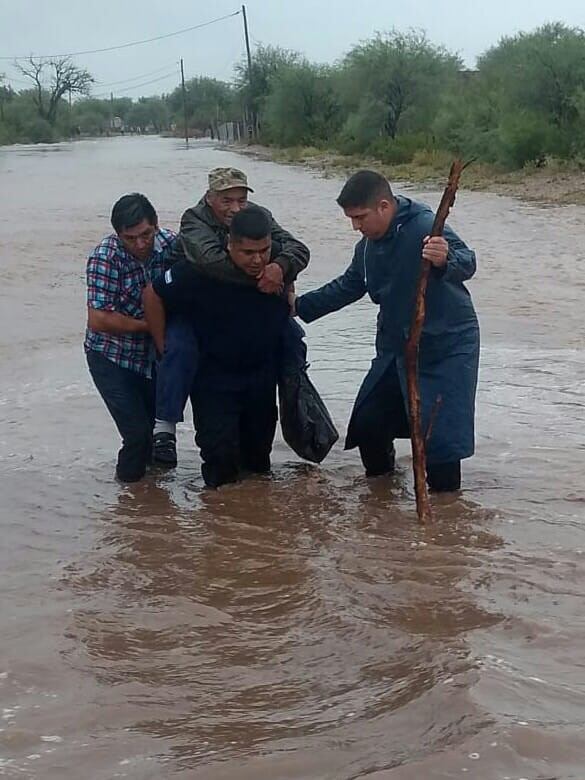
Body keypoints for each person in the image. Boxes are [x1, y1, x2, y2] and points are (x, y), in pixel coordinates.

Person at [291, 170, 480, 492]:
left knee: (439, 441)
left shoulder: (423, 225)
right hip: (395, 348)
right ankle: (381, 500)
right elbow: (350, 285)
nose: (356, 226)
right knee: (370, 423)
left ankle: (447, 516)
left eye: (360, 217)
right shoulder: (367, 246)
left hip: (444, 346)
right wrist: (298, 306)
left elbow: (468, 261)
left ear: (383, 206)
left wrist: (444, 259)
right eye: (351, 219)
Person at [152, 167, 309, 467]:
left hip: (255, 366)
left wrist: (281, 268)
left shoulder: (257, 217)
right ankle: (164, 427)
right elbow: (209, 262)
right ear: (210, 198)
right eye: (227, 201)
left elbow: (298, 248)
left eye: (241, 200)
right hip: (197, 317)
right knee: (179, 349)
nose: (236, 209)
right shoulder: (194, 221)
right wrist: (262, 273)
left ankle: (301, 403)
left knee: (292, 337)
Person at [145, 206, 290, 488]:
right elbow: (153, 294)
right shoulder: (197, 272)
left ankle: (255, 527)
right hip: (214, 381)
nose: (257, 260)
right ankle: (217, 524)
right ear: (229, 244)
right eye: (248, 253)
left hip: (261, 379)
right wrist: (164, 346)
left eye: (264, 250)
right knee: (220, 462)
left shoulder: (279, 262)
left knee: (259, 464)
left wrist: (283, 270)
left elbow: (297, 265)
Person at [84, 193, 177, 483]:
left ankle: (149, 509)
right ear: (118, 235)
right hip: (111, 356)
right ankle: (127, 499)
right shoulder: (104, 257)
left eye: (146, 234)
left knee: (156, 435)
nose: (140, 244)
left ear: (156, 225)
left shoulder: (174, 246)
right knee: (137, 435)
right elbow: (98, 319)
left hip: (155, 356)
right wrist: (150, 325)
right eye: (130, 238)